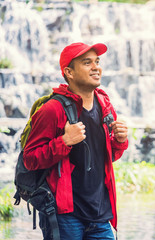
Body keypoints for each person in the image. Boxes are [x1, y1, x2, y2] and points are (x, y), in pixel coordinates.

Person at [23, 42, 128, 240]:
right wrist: (64, 142)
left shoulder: (105, 105)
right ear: (69, 72)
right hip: (65, 216)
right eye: (87, 62)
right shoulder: (52, 110)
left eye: (97, 61)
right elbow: (30, 159)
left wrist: (120, 141)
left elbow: (106, 156)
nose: (96, 67)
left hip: (100, 215)